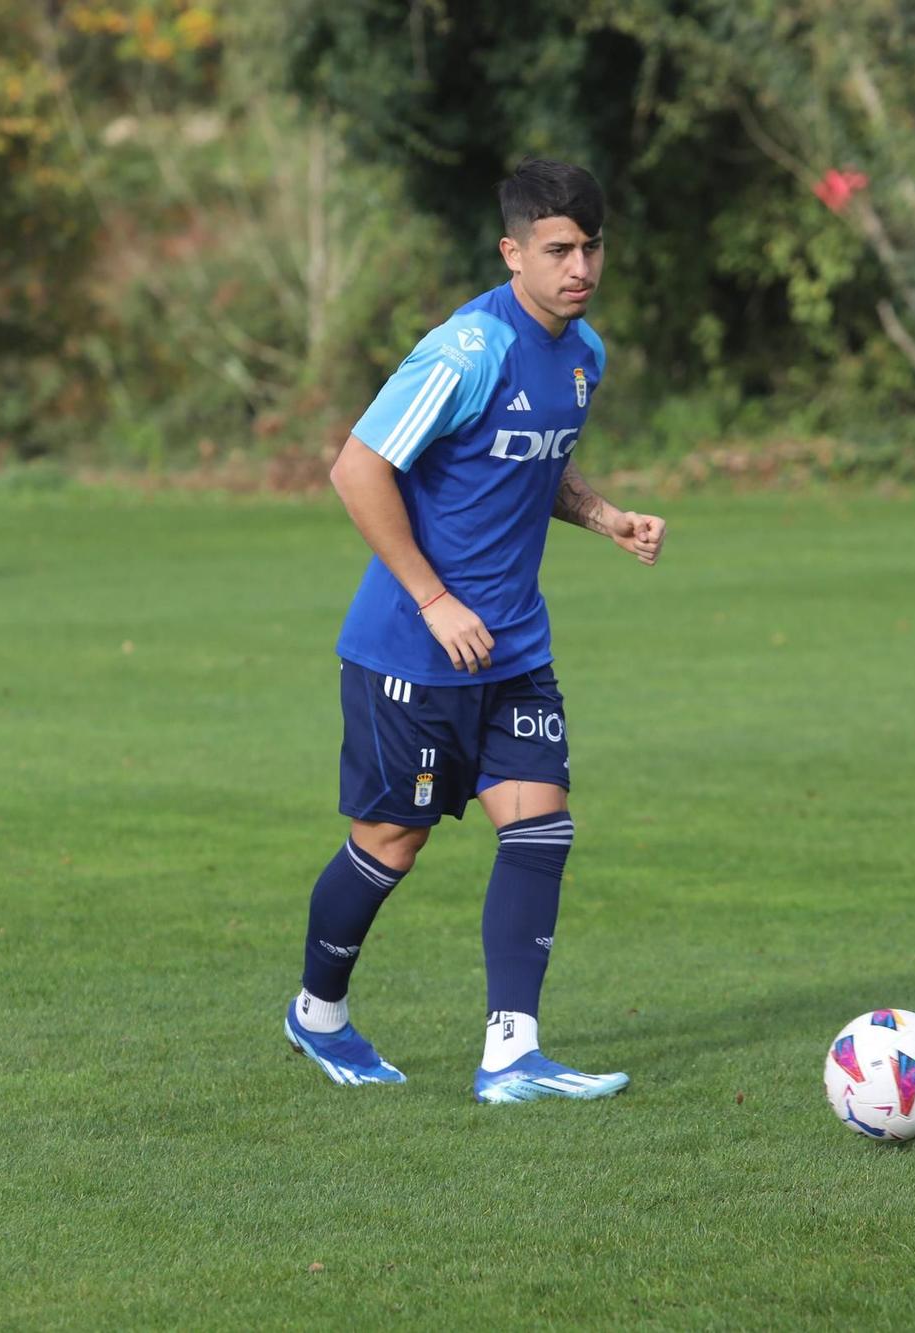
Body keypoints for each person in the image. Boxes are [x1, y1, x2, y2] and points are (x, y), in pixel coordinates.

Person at [285, 158, 667, 1103]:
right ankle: (318, 1012)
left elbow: (536, 466)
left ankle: (512, 1052)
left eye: (591, 247)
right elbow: (357, 469)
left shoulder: (585, 354)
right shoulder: (466, 349)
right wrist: (432, 597)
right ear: (513, 253)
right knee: (391, 842)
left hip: (513, 650)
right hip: (411, 650)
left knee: (540, 824)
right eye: (558, 250)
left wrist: (605, 515)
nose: (580, 266)